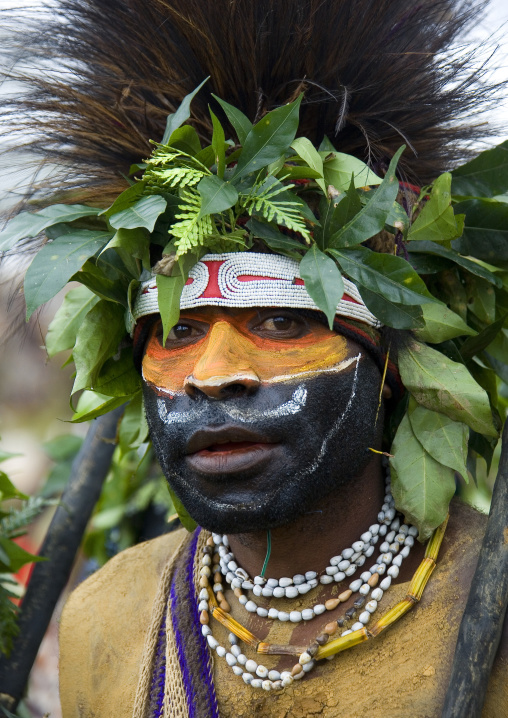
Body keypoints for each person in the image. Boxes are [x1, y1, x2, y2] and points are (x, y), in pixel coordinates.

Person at [1, 0, 507, 716]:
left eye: (281, 318)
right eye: (177, 331)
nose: (213, 375)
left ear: (392, 363)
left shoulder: (492, 601)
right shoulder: (106, 617)